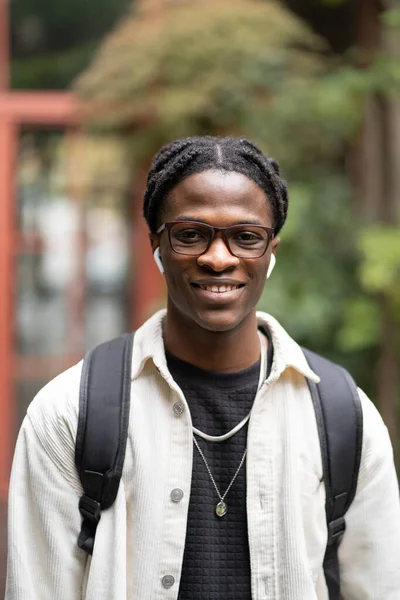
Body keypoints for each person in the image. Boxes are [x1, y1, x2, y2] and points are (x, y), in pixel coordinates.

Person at [6, 136, 400, 600]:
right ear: (157, 243)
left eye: (245, 237)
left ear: (272, 250)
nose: (218, 258)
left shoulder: (343, 416)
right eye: (191, 234)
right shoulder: (69, 413)